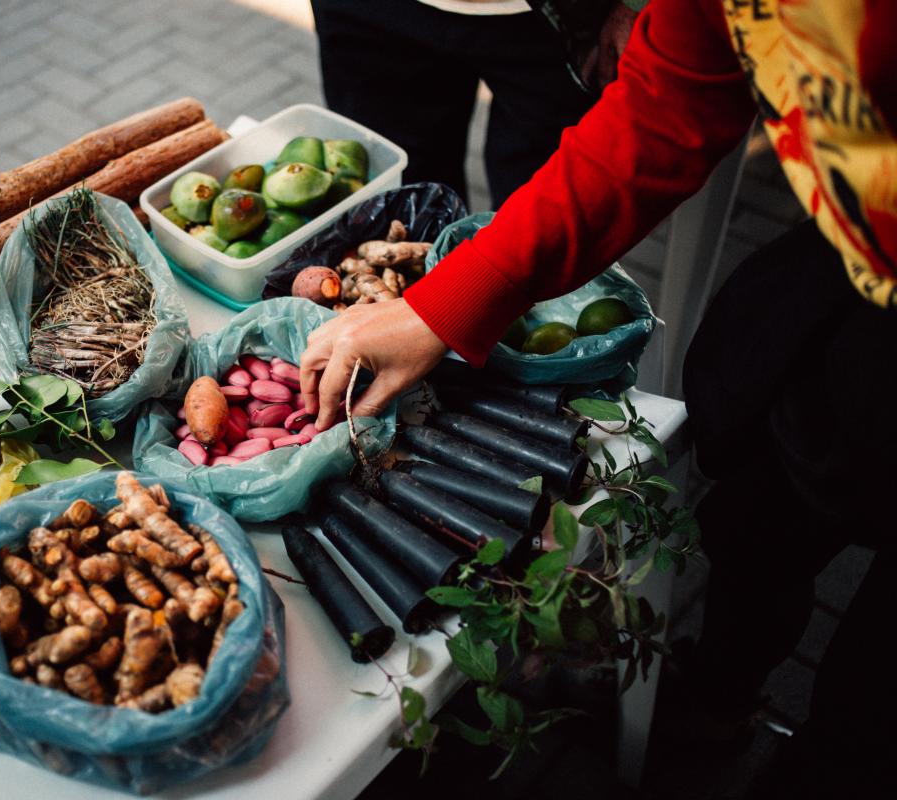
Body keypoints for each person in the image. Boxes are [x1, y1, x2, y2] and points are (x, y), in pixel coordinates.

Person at [301, 1, 895, 793]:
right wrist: (440, 308)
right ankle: (719, 696)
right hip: (856, 245)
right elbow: (668, 105)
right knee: (764, 478)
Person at [310, 0, 645, 207]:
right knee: (400, 200)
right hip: (366, 13)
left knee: (543, 210)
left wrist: (639, 2)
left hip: (558, 17)